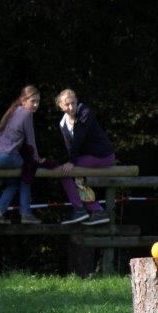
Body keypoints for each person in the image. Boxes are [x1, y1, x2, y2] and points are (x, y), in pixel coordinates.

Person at [55, 89, 114, 225]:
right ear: (60, 106)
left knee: (65, 173)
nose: (71, 107)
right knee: (68, 173)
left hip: (103, 155)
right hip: (87, 158)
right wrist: (69, 161)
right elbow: (69, 147)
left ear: (77, 101)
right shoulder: (63, 123)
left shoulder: (85, 112)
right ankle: (96, 211)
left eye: (73, 103)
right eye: (67, 104)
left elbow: (79, 137)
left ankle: (80, 209)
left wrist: (71, 162)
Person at [0, 86, 43, 224]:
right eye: (33, 101)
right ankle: (26, 213)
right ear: (23, 100)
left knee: (13, 184)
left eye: (38, 101)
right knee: (28, 170)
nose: (36, 105)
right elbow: (31, 141)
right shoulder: (27, 114)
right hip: (6, 156)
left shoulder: (14, 110)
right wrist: (37, 159)